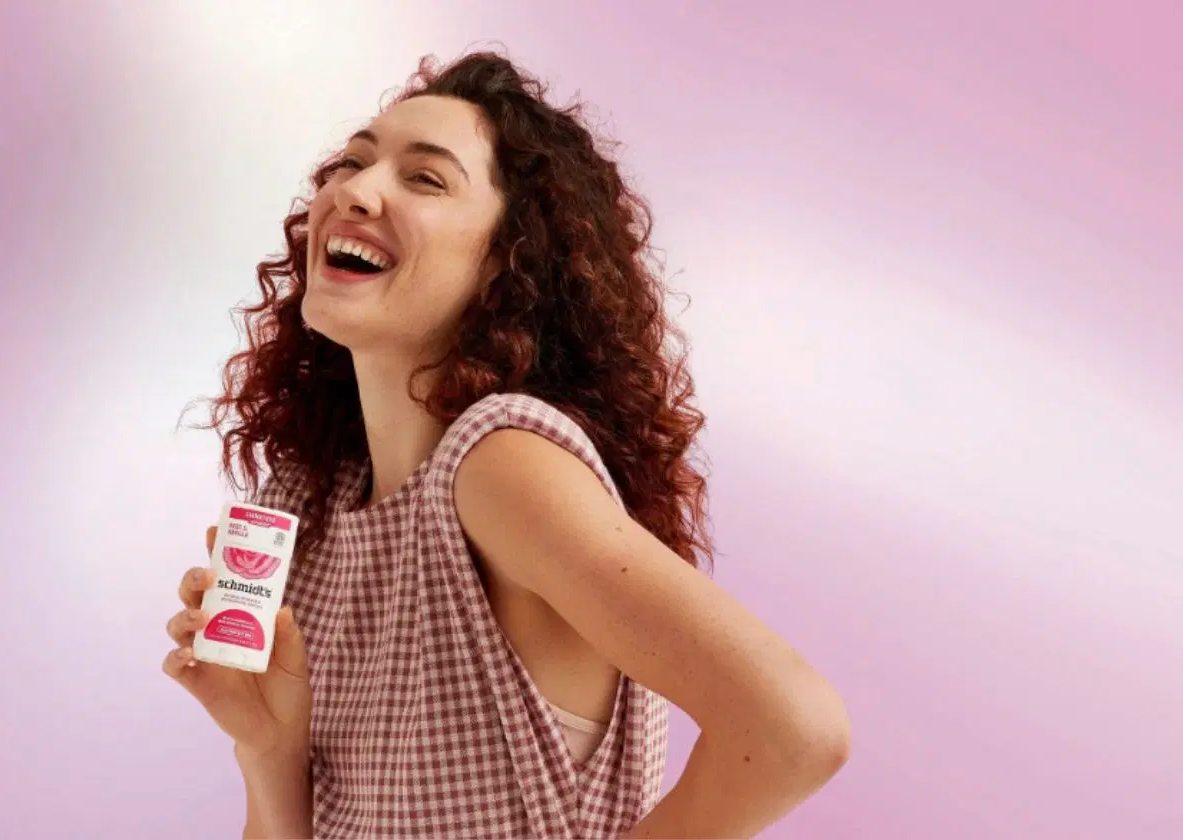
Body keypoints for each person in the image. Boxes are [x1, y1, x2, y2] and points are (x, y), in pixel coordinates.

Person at [163, 51, 850, 838]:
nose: (352, 189)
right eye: (352, 162)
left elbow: (794, 729)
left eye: (425, 179)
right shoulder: (308, 500)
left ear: (504, 262)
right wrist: (270, 746)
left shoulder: (498, 466)